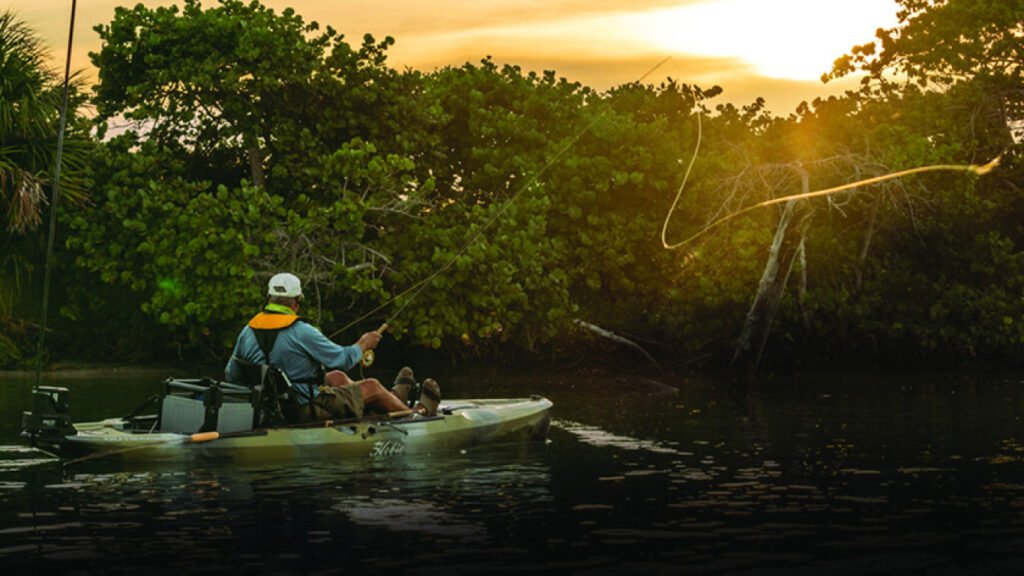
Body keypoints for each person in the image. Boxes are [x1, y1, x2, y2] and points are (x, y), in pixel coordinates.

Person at [225, 272, 441, 421]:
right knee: (372, 385)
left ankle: (389, 400)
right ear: (296, 301)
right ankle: (415, 414)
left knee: (336, 376)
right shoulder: (301, 330)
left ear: (269, 298)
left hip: (270, 407)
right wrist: (364, 344)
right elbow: (343, 359)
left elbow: (231, 374)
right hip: (303, 408)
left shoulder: (248, 330)